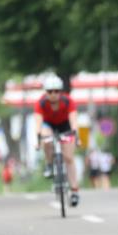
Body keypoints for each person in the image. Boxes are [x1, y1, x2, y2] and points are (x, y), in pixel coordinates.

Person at [34, 76, 80, 207]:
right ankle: (49, 164)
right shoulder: (41, 103)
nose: (53, 94)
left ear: (60, 91)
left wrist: (76, 136)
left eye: (56, 91)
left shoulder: (68, 101)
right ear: (45, 92)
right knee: (46, 138)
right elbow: (38, 124)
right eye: (49, 91)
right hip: (49, 125)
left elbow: (74, 121)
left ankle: (74, 191)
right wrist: (38, 140)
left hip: (65, 125)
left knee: (69, 158)